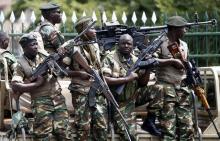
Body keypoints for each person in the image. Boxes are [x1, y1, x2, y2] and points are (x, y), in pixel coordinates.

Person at [11, 33, 71, 141]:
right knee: (43, 135)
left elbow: (61, 71)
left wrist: (61, 58)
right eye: (32, 45)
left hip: (57, 98)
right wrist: (36, 84)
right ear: (24, 48)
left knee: (63, 132)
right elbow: (15, 85)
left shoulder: (44, 55)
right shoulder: (20, 64)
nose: (35, 46)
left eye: (36, 43)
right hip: (41, 102)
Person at [142, 16, 194, 140]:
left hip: (182, 90)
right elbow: (149, 60)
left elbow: (186, 63)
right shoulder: (160, 42)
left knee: (187, 128)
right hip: (166, 91)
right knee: (168, 129)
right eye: (184, 28)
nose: (186, 31)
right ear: (175, 29)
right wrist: (170, 61)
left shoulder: (184, 45)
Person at [61, 16, 108, 141]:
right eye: (92, 28)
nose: (95, 31)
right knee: (84, 127)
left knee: (101, 126)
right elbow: (61, 71)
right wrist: (78, 74)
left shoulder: (95, 45)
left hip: (97, 90)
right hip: (80, 91)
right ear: (83, 30)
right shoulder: (73, 47)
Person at [102, 34, 152, 140]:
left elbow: (143, 83)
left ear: (133, 46)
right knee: (129, 134)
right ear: (118, 45)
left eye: (128, 43)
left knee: (160, 90)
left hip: (132, 99)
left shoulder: (136, 60)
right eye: (123, 43)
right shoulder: (110, 58)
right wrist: (127, 79)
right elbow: (105, 80)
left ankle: (150, 122)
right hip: (117, 103)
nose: (126, 46)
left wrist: (148, 67)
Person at [0, 31, 17, 131]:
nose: (8, 43)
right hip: (6, 91)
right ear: (3, 42)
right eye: (7, 41)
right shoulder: (7, 56)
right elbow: (17, 70)